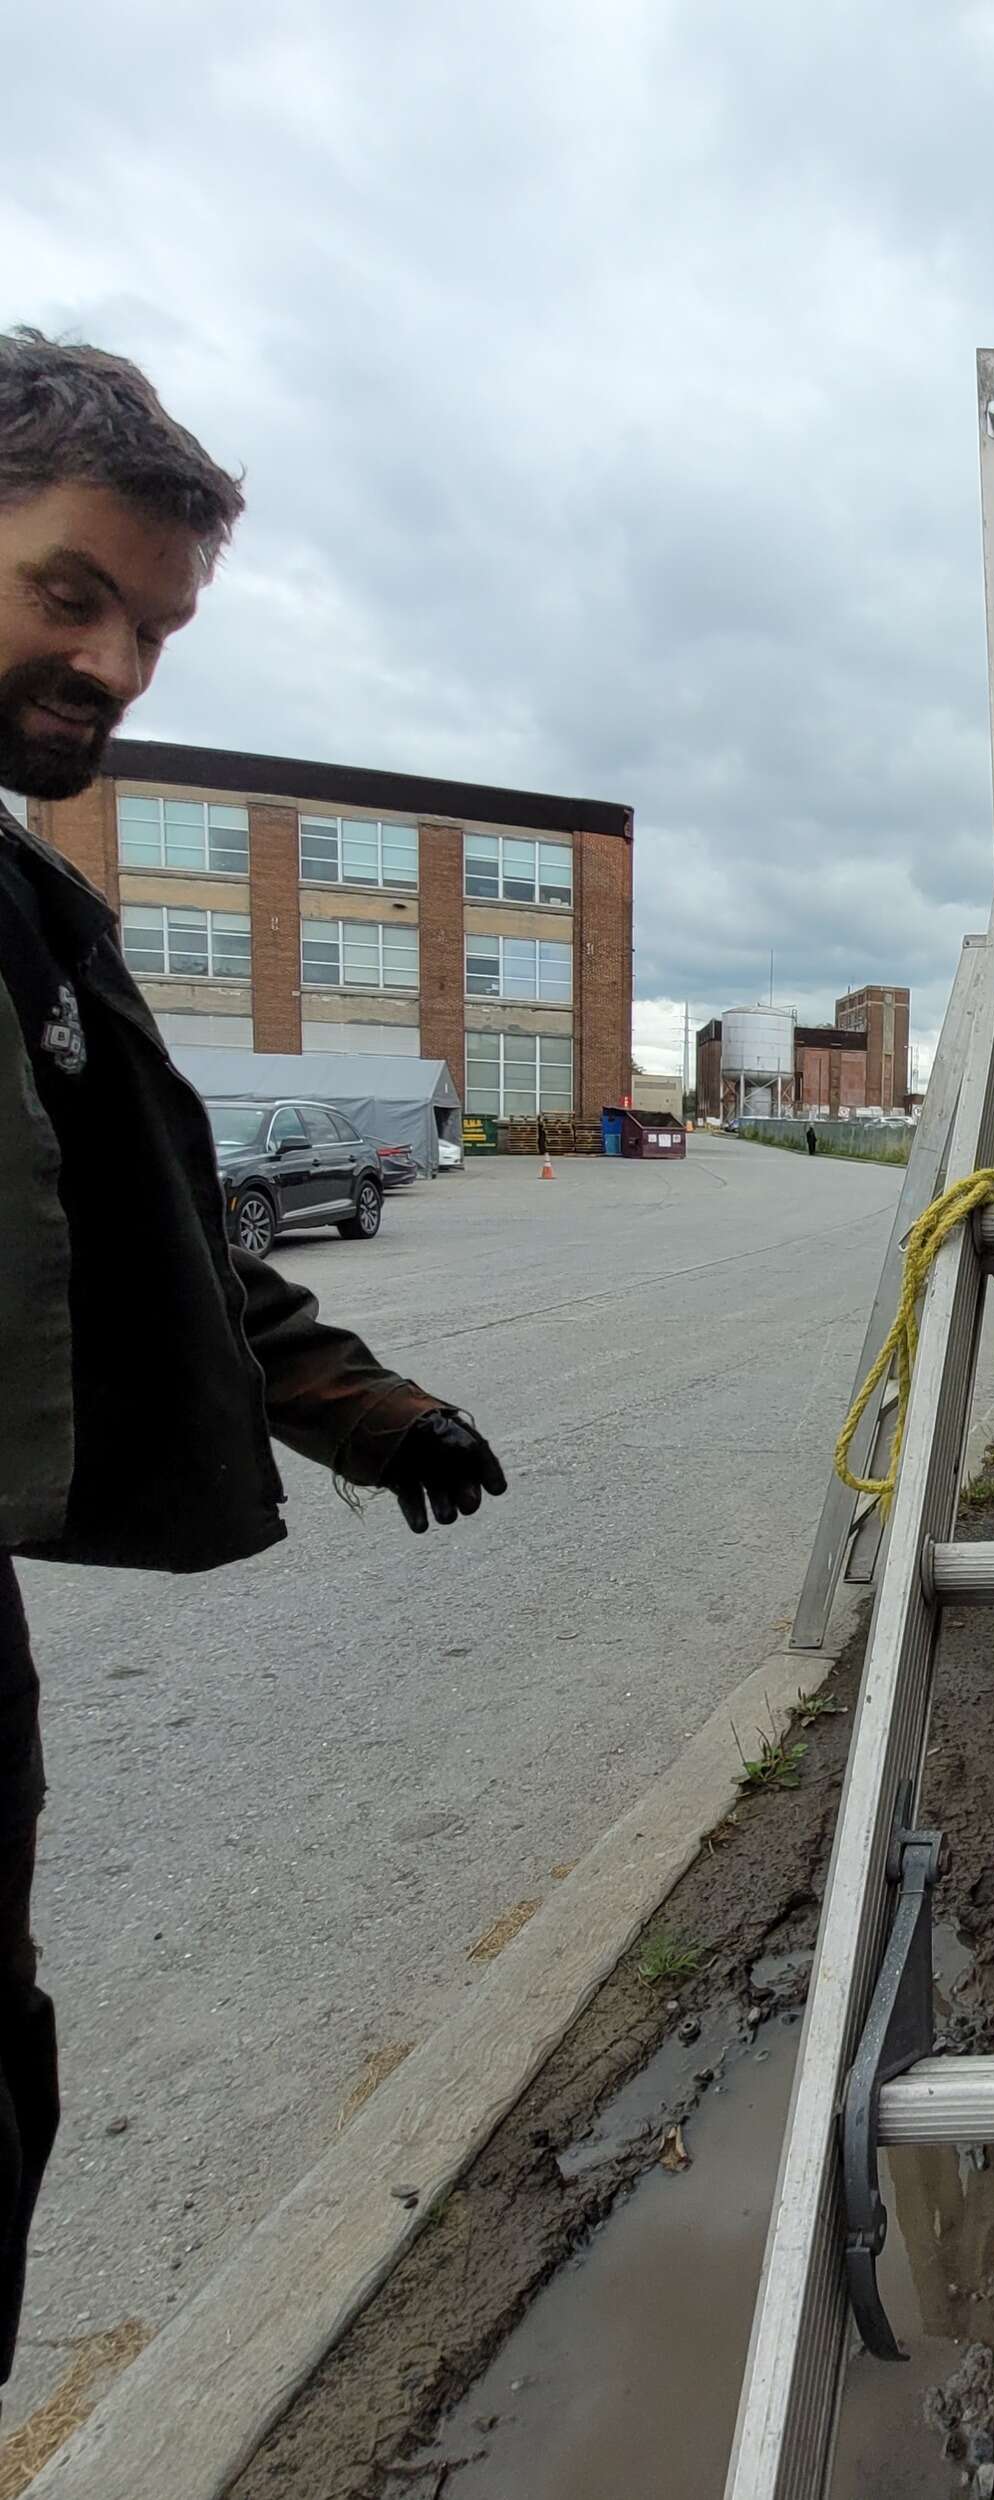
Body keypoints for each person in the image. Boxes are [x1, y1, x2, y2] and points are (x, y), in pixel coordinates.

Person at [0, 330, 507, 2385]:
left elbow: (161, 1242)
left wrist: (367, 1412)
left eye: (151, 628)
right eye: (69, 593)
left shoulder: (32, 919)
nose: (112, 666)